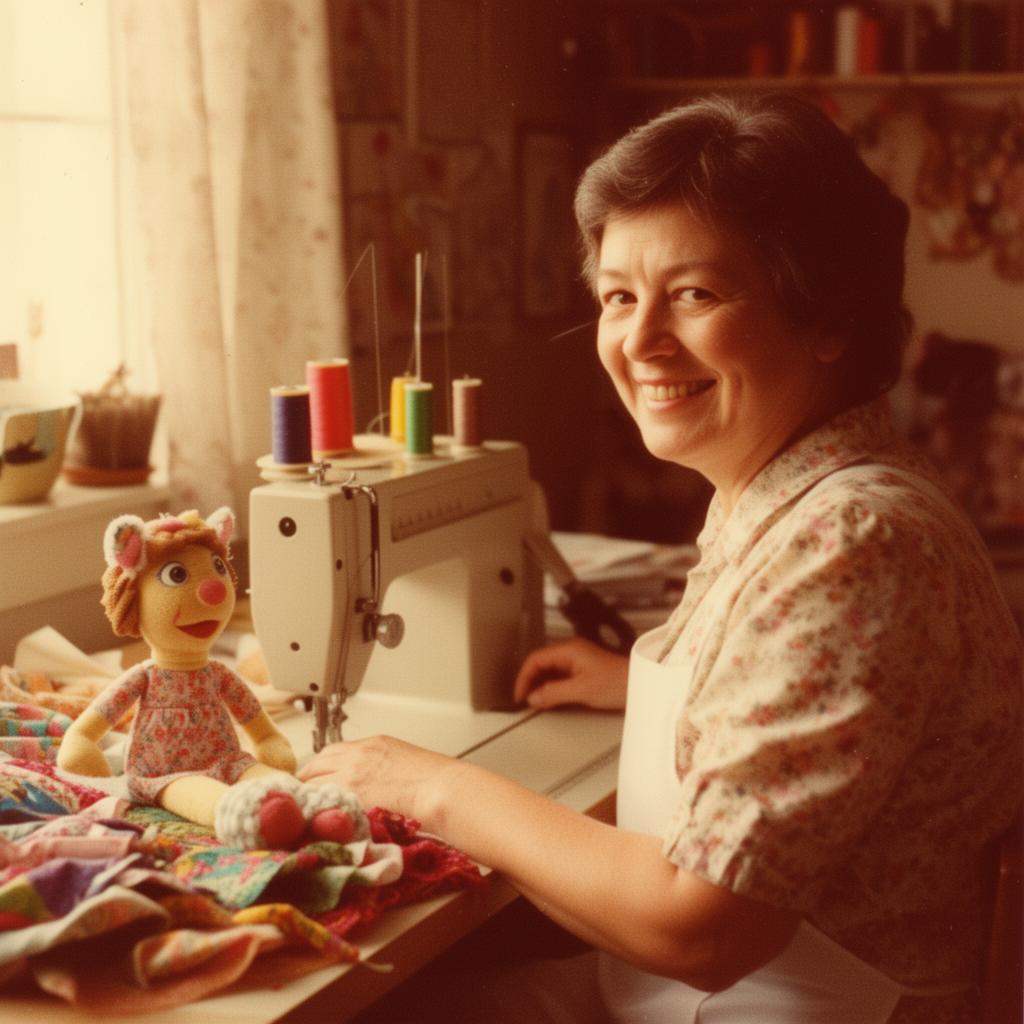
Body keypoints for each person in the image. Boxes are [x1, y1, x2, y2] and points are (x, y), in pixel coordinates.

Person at [299, 93, 1022, 1023]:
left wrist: (430, 785)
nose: (639, 342)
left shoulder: (853, 542)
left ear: (828, 316)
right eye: (618, 297)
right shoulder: (786, 496)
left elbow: (701, 928)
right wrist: (644, 687)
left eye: (694, 293)